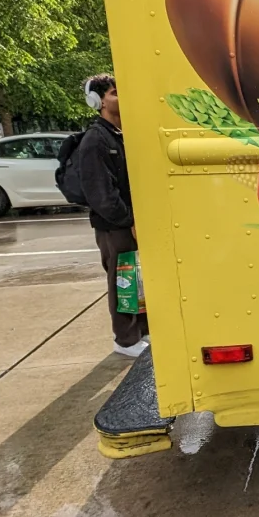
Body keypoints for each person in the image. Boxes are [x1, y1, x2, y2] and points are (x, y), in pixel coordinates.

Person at [77, 74, 149, 358]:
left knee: (137, 277)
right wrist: (128, 221)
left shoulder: (119, 134)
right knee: (123, 280)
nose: (122, 98)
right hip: (114, 226)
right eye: (115, 93)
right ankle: (126, 339)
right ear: (98, 101)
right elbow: (101, 193)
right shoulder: (95, 139)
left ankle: (141, 331)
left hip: (129, 222)